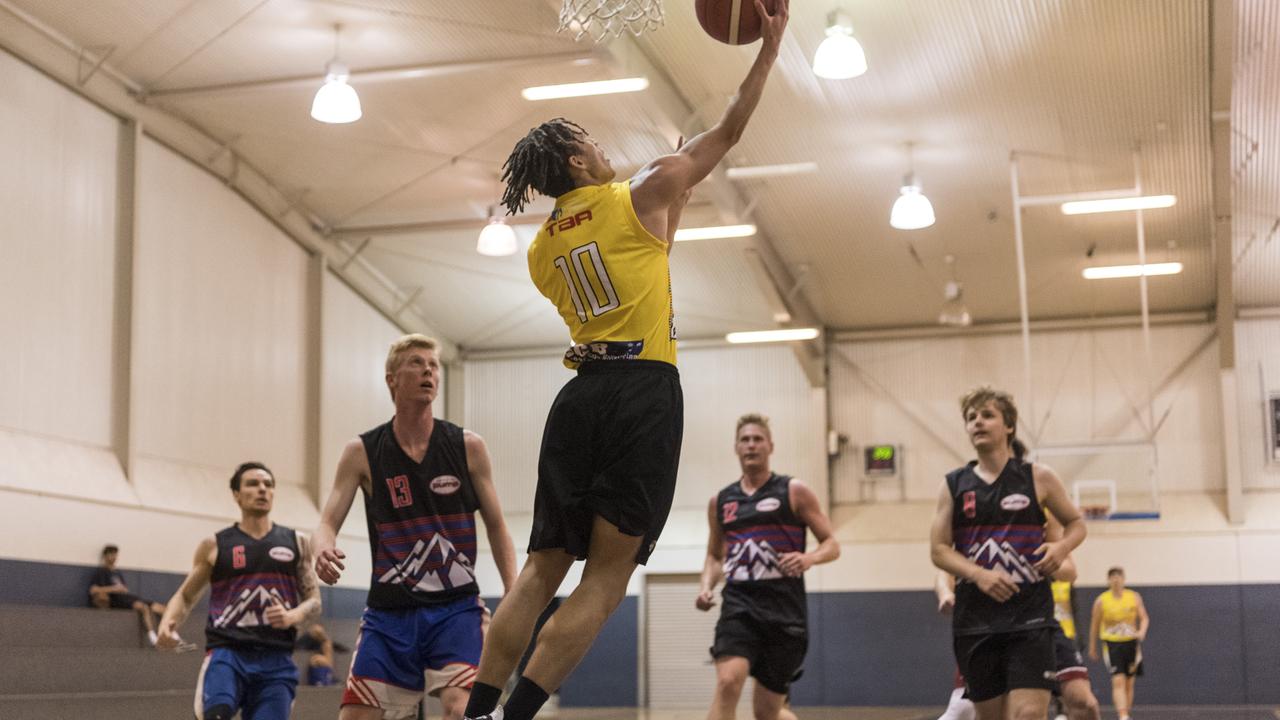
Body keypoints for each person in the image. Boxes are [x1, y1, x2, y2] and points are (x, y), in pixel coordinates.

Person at [461, 5, 790, 720]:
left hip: (578, 398)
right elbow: (729, 131)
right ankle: (518, 717)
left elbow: (640, 255)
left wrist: (676, 190)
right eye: (592, 142)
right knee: (606, 580)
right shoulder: (639, 191)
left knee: (545, 566)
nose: (604, 147)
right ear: (579, 162)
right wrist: (768, 50)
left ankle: (480, 710)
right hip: (643, 392)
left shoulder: (544, 253)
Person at [312, 334, 518, 720]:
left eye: (433, 365)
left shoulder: (466, 446)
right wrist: (322, 548)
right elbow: (325, 522)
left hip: (455, 609)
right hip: (390, 614)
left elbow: (497, 525)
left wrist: (512, 589)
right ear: (391, 378)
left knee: (462, 710)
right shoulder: (362, 452)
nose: (428, 370)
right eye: (416, 363)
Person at [930, 387, 1087, 720]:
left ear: (1009, 426)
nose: (978, 422)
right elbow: (939, 551)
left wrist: (1061, 547)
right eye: (971, 418)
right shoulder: (953, 485)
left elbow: (1076, 523)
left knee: (1028, 714)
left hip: (1030, 617)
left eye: (987, 415)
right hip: (976, 622)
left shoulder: (1038, 477)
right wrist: (978, 574)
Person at [695, 414, 838, 720]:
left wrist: (808, 558)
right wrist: (706, 586)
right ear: (736, 447)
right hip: (739, 605)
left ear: (770, 446)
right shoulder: (720, 501)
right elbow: (714, 556)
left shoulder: (793, 491)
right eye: (745, 440)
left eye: (757, 439)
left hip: (784, 611)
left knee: (767, 712)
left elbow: (832, 544)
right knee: (728, 682)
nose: (751, 445)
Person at [156, 462, 322, 720]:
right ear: (236, 494)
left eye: (268, 484)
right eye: (253, 484)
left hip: (276, 658)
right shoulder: (215, 545)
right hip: (228, 654)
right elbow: (186, 595)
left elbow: (314, 601)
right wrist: (169, 622)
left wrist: (292, 616)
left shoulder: (297, 542)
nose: (262, 490)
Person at [1088, 567, 1149, 720]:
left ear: (1123, 579)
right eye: (1112, 577)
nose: (1116, 580)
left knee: (1129, 682)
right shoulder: (1101, 601)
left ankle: (1126, 712)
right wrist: (1092, 647)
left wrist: (1141, 631)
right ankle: (1122, 714)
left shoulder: (1134, 597)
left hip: (1131, 643)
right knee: (1118, 680)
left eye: (1119, 576)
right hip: (1112, 643)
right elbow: (1094, 625)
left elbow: (1144, 618)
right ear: (1108, 580)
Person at [88, 544, 167, 646]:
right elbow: (93, 590)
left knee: (161, 608)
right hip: (116, 600)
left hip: (128, 597)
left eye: (116, 555)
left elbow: (123, 588)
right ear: (105, 556)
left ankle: (172, 636)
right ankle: (153, 637)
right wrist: (114, 589)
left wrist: (123, 589)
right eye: (111, 554)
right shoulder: (101, 572)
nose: (114, 557)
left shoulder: (117, 572)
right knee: (143, 607)